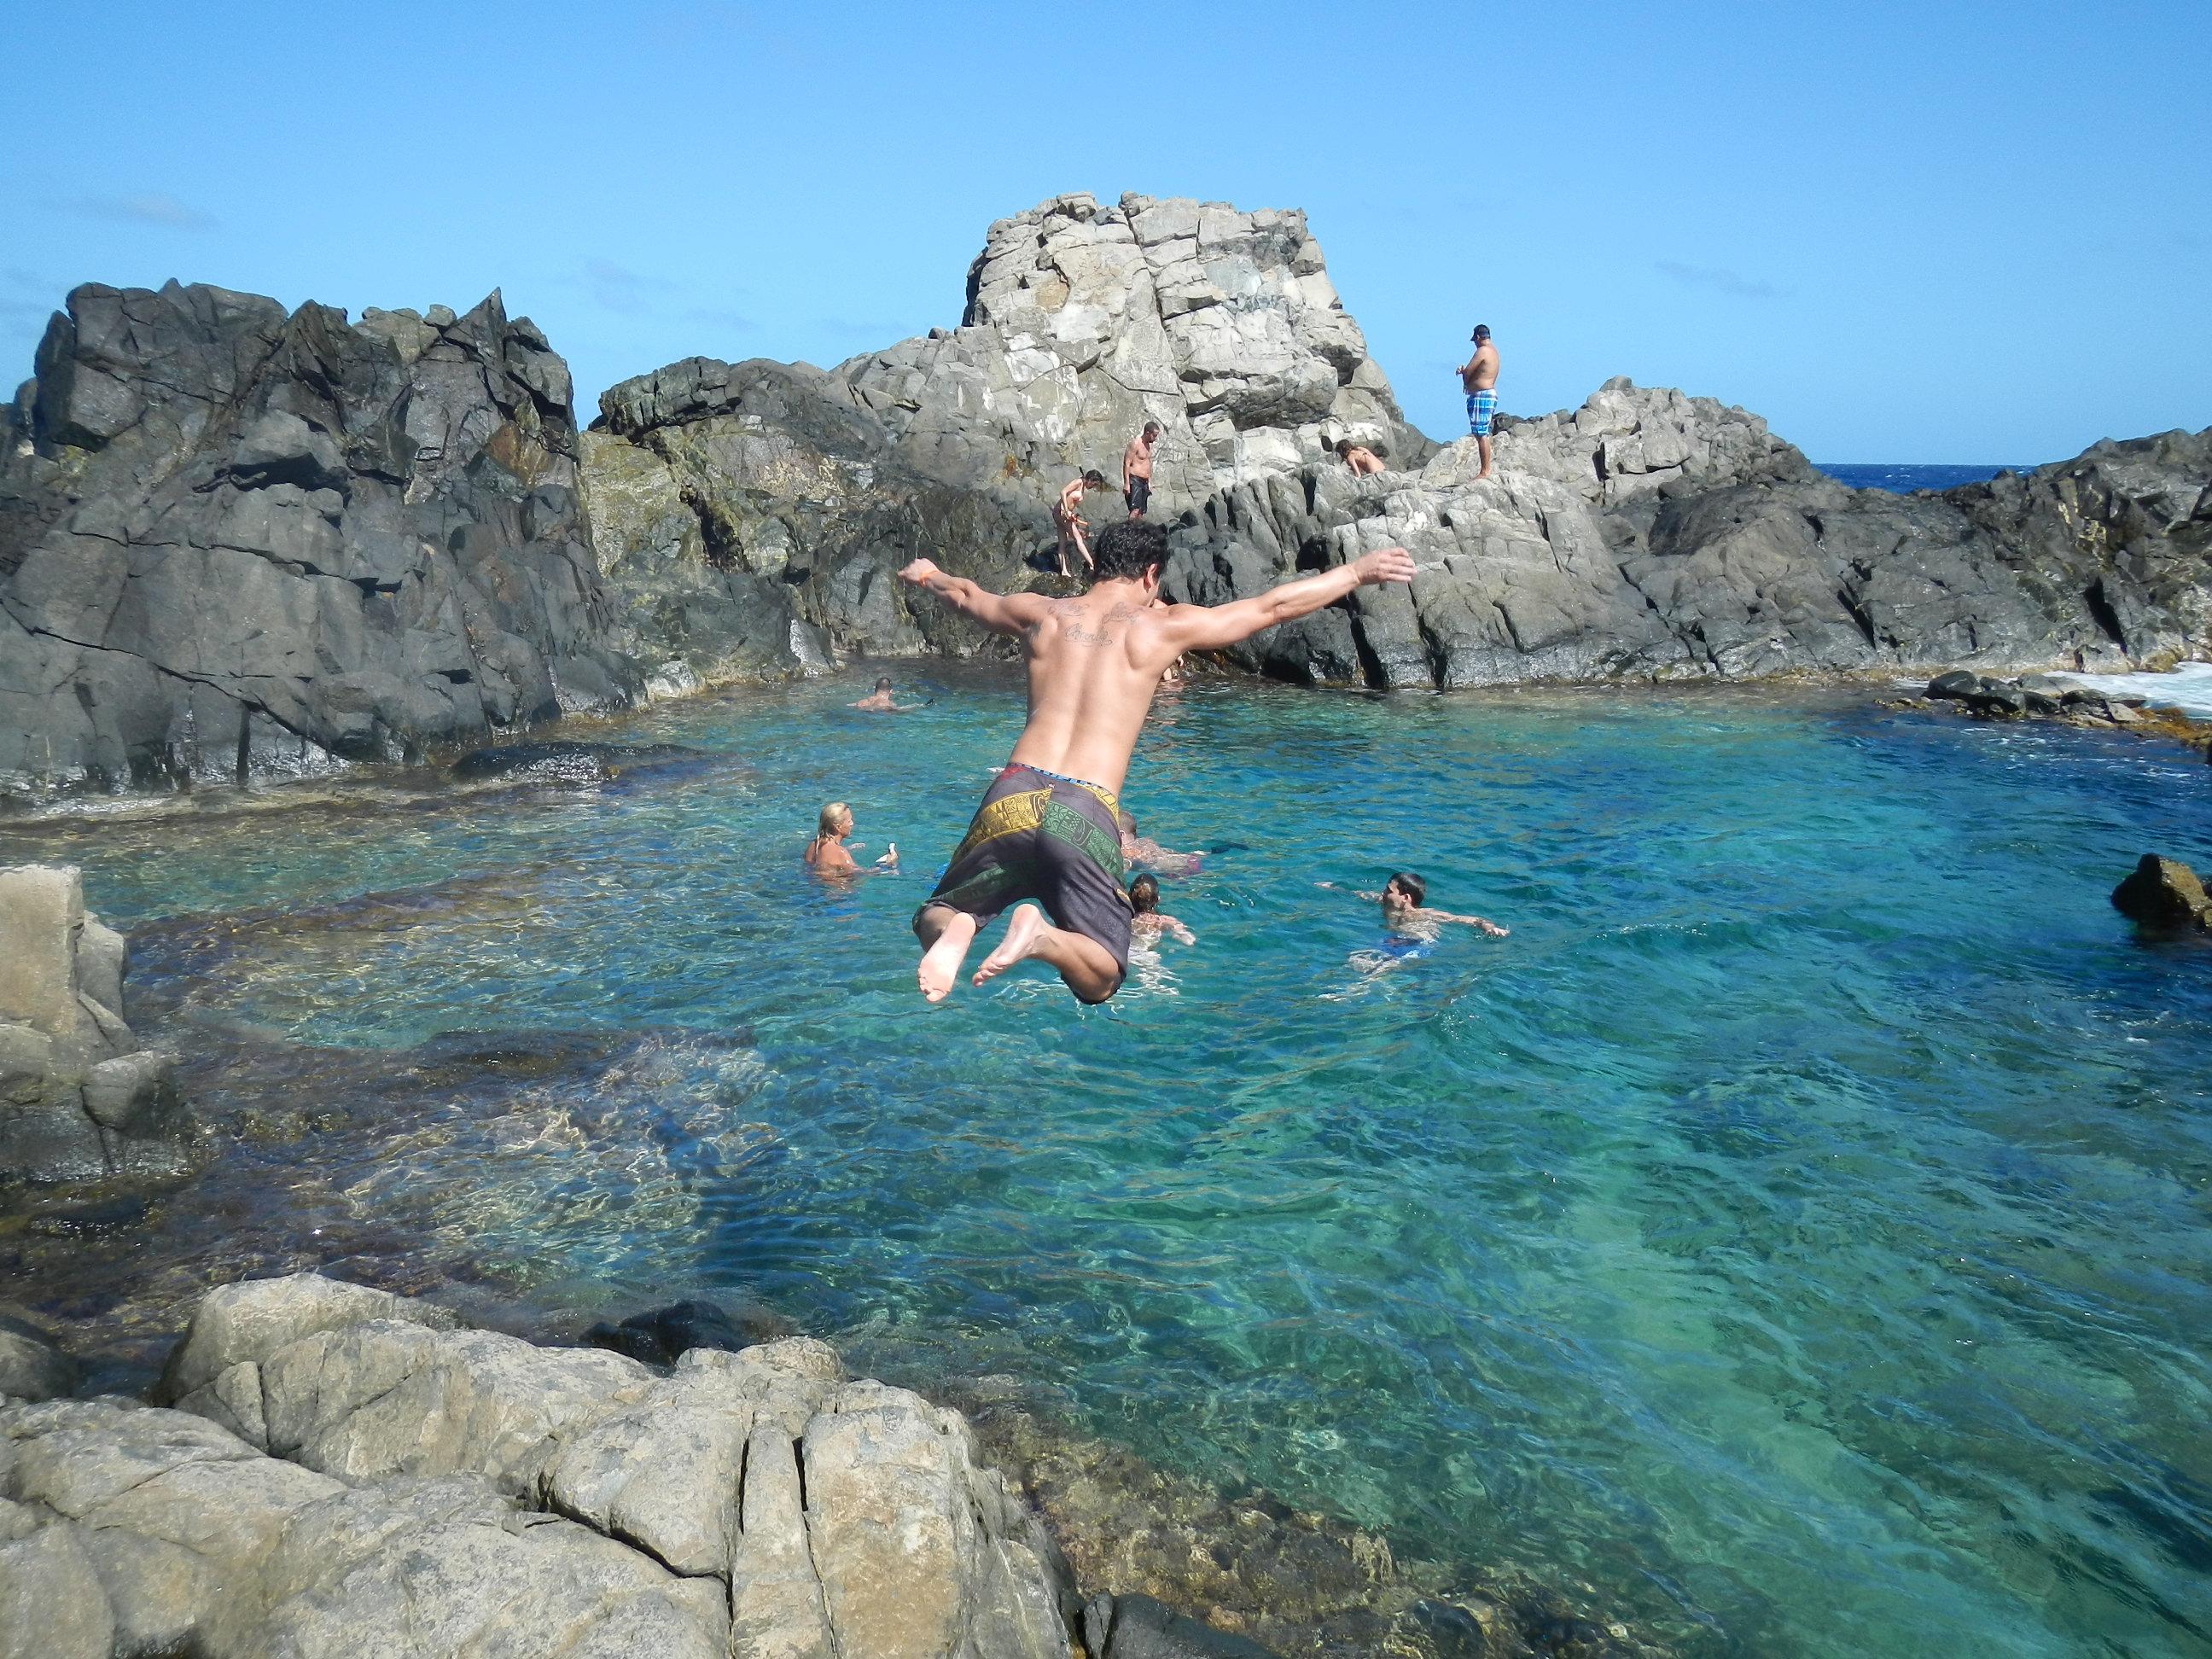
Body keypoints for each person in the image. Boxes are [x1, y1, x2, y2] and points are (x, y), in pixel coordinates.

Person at [899, 521, 1416, 1004]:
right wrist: (1357, 572)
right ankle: (1040, 940)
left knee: (935, 917)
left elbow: (966, 595)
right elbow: (1271, 608)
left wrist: (928, 575)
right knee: (1101, 976)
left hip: (1013, 791)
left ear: (1094, 567)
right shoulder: (1162, 626)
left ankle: (962, 927)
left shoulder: (1043, 613)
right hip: (1083, 806)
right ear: (1150, 575)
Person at [1326, 870, 1509, 938]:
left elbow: (1474, 919)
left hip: (1417, 943)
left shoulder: (1424, 915)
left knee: (1373, 966)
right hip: (1394, 943)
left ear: (1405, 898)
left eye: (1389, 890)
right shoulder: (1380, 902)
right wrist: (1332, 887)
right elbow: (1355, 893)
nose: (1383, 893)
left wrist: (1488, 927)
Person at [1455, 324, 1500, 481]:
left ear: (1479, 337)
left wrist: (1462, 371)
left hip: (1482, 395)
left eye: (1475, 339)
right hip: (1486, 394)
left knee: (1481, 434)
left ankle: (1485, 471)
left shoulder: (1483, 351)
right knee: (1481, 433)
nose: (1474, 343)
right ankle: (1485, 469)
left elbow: (1468, 373)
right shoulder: (1493, 351)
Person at [804, 801, 897, 876]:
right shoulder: (840, 853)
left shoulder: (813, 844)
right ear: (838, 827)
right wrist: (887, 864)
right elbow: (864, 873)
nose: (852, 823)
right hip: (840, 894)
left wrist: (847, 849)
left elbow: (824, 862)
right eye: (849, 821)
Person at [1054, 469, 1108, 578]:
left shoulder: (1082, 486)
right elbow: (1063, 492)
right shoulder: (1078, 482)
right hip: (1062, 513)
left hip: (1061, 513)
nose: (1093, 487)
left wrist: (1072, 516)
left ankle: (1064, 570)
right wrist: (1066, 510)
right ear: (1090, 479)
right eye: (1094, 484)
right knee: (1078, 538)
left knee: (1063, 542)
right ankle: (1092, 564)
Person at [1117, 808, 1202, 876]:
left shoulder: (1126, 851)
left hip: (1180, 870)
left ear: (1121, 834)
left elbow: (1120, 873)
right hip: (1187, 860)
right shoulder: (1145, 841)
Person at [1127, 873, 1195, 946]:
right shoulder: (1161, 921)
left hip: (1122, 952)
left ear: (1128, 896)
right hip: (1147, 955)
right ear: (1158, 900)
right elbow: (1188, 941)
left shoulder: (1124, 916)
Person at [1121, 421, 1160, 519]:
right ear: (1147, 433)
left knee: (1141, 512)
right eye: (1154, 436)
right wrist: (1126, 483)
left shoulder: (1148, 445)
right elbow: (1127, 463)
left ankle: (1138, 532)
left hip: (1144, 481)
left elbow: (1148, 464)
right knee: (1135, 510)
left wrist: (1149, 482)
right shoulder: (1135, 443)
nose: (1155, 438)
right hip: (1134, 480)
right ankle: (1130, 531)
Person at [850, 676, 921, 712]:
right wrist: (918, 706)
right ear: (891, 691)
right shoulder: (888, 704)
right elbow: (900, 710)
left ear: (875, 689)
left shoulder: (861, 702)